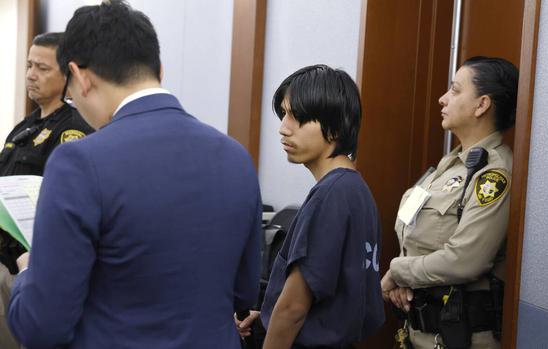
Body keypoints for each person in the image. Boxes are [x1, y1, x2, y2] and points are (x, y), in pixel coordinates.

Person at [7, 1, 261, 348]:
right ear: (159, 68)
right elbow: (244, 289)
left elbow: (42, 326)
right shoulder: (236, 157)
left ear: (79, 76)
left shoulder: (79, 162)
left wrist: (26, 273)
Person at [237, 64, 385, 349]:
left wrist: (275, 328)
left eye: (298, 118)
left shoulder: (331, 194)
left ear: (335, 127)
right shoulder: (355, 190)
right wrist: (266, 317)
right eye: (283, 115)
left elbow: (293, 308)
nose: (283, 129)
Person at [380, 56, 518, 349]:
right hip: (418, 331)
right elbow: (412, 231)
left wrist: (399, 271)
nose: (443, 99)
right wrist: (404, 280)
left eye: (455, 90)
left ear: (481, 105)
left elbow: (466, 259)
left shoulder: (494, 175)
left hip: (459, 338)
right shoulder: (452, 165)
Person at [0, 31, 93, 349]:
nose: (30, 74)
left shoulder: (73, 129)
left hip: (31, 268)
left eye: (42, 68)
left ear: (68, 73)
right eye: (29, 65)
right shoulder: (26, 126)